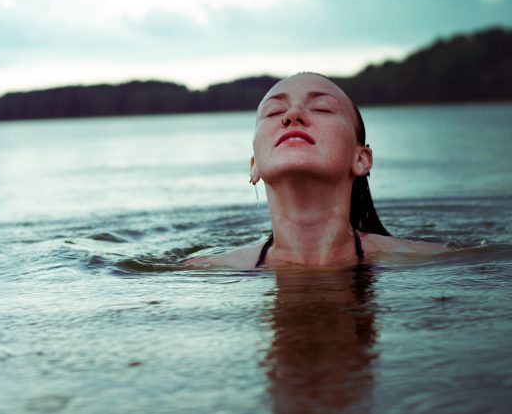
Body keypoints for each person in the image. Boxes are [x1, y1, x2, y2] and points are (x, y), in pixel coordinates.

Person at [189, 72, 444, 268]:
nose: (292, 115)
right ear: (254, 166)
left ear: (361, 159)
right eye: (274, 112)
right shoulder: (205, 269)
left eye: (322, 108)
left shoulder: (431, 259)